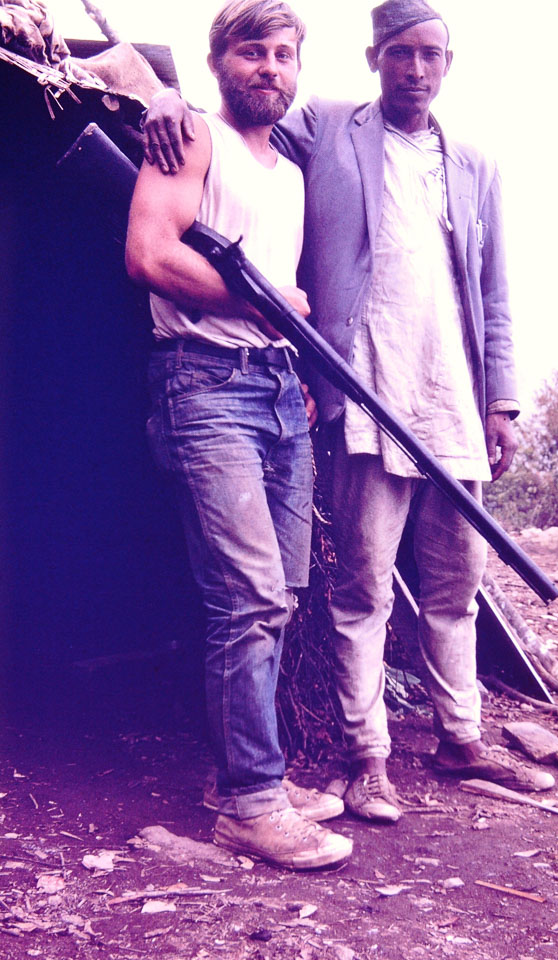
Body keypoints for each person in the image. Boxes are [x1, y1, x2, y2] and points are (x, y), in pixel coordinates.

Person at [143, 0, 555, 826]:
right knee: (359, 586)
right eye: (400, 53)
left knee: (456, 583)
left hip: (454, 403)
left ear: (448, 64)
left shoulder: (474, 164)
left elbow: (495, 292)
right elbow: (235, 116)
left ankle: (460, 739)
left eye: (431, 54)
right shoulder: (327, 127)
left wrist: (501, 403)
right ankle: (366, 759)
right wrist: (164, 98)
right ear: (373, 58)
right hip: (362, 395)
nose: (416, 69)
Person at [125, 0, 352, 870]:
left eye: (284, 54)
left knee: (280, 593)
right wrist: (263, 304)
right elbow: (150, 253)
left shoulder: (288, 171)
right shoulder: (190, 138)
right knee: (248, 594)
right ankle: (252, 807)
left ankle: (243, 779)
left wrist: (291, 365)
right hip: (204, 381)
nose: (270, 67)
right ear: (219, 60)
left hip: (276, 390)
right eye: (252, 51)